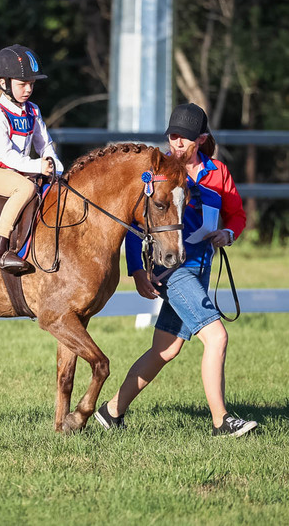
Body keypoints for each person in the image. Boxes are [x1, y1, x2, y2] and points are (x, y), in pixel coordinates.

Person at [94, 103, 258, 437]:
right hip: (171, 269)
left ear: (201, 140)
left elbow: (237, 214)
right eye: (173, 137)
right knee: (217, 336)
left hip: (201, 267)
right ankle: (222, 421)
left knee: (165, 349)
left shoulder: (218, 173)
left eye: (184, 139)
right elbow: (134, 221)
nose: (177, 144)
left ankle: (111, 412)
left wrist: (229, 234)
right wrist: (137, 269)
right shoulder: (158, 173)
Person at [0, 44, 64, 274]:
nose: (28, 90)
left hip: (19, 170)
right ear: (4, 84)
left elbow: (44, 144)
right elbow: (6, 155)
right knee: (25, 189)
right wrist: (37, 165)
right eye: (22, 84)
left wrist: (56, 168)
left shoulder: (33, 110)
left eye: (31, 84)